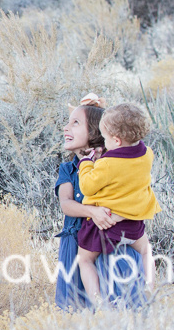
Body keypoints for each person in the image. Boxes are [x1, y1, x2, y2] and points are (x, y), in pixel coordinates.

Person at [55, 95, 144, 309]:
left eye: (75, 123)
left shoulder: (111, 164)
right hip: (76, 243)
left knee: (120, 306)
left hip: (110, 242)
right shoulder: (68, 169)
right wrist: (91, 211)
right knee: (76, 309)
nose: (66, 128)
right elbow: (66, 204)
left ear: (95, 131)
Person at [76, 102, 159, 301]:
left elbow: (87, 186)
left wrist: (86, 163)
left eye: (105, 139)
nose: (104, 143)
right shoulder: (147, 154)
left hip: (105, 226)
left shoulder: (107, 163)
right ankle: (150, 288)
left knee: (85, 260)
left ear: (117, 140)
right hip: (133, 226)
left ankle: (98, 303)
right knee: (147, 251)